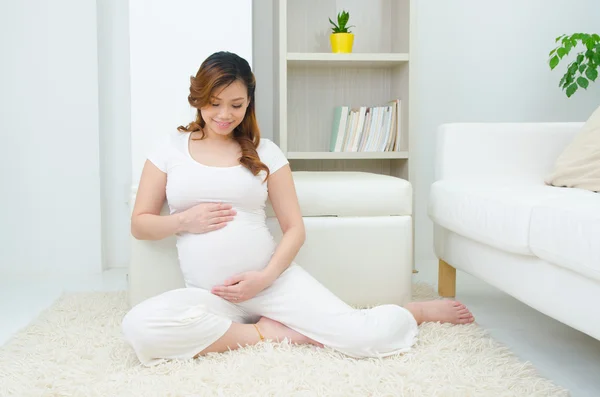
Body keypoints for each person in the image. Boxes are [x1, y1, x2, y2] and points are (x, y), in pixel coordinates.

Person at [122, 51, 474, 367]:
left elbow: (294, 228)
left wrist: (264, 278)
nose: (224, 114)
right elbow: (140, 224)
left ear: (248, 104)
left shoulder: (266, 151)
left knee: (365, 339)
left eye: (236, 104)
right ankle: (267, 334)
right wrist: (183, 221)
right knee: (140, 326)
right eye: (214, 103)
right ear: (198, 98)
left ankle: (412, 313)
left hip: (272, 284)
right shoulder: (170, 149)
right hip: (211, 296)